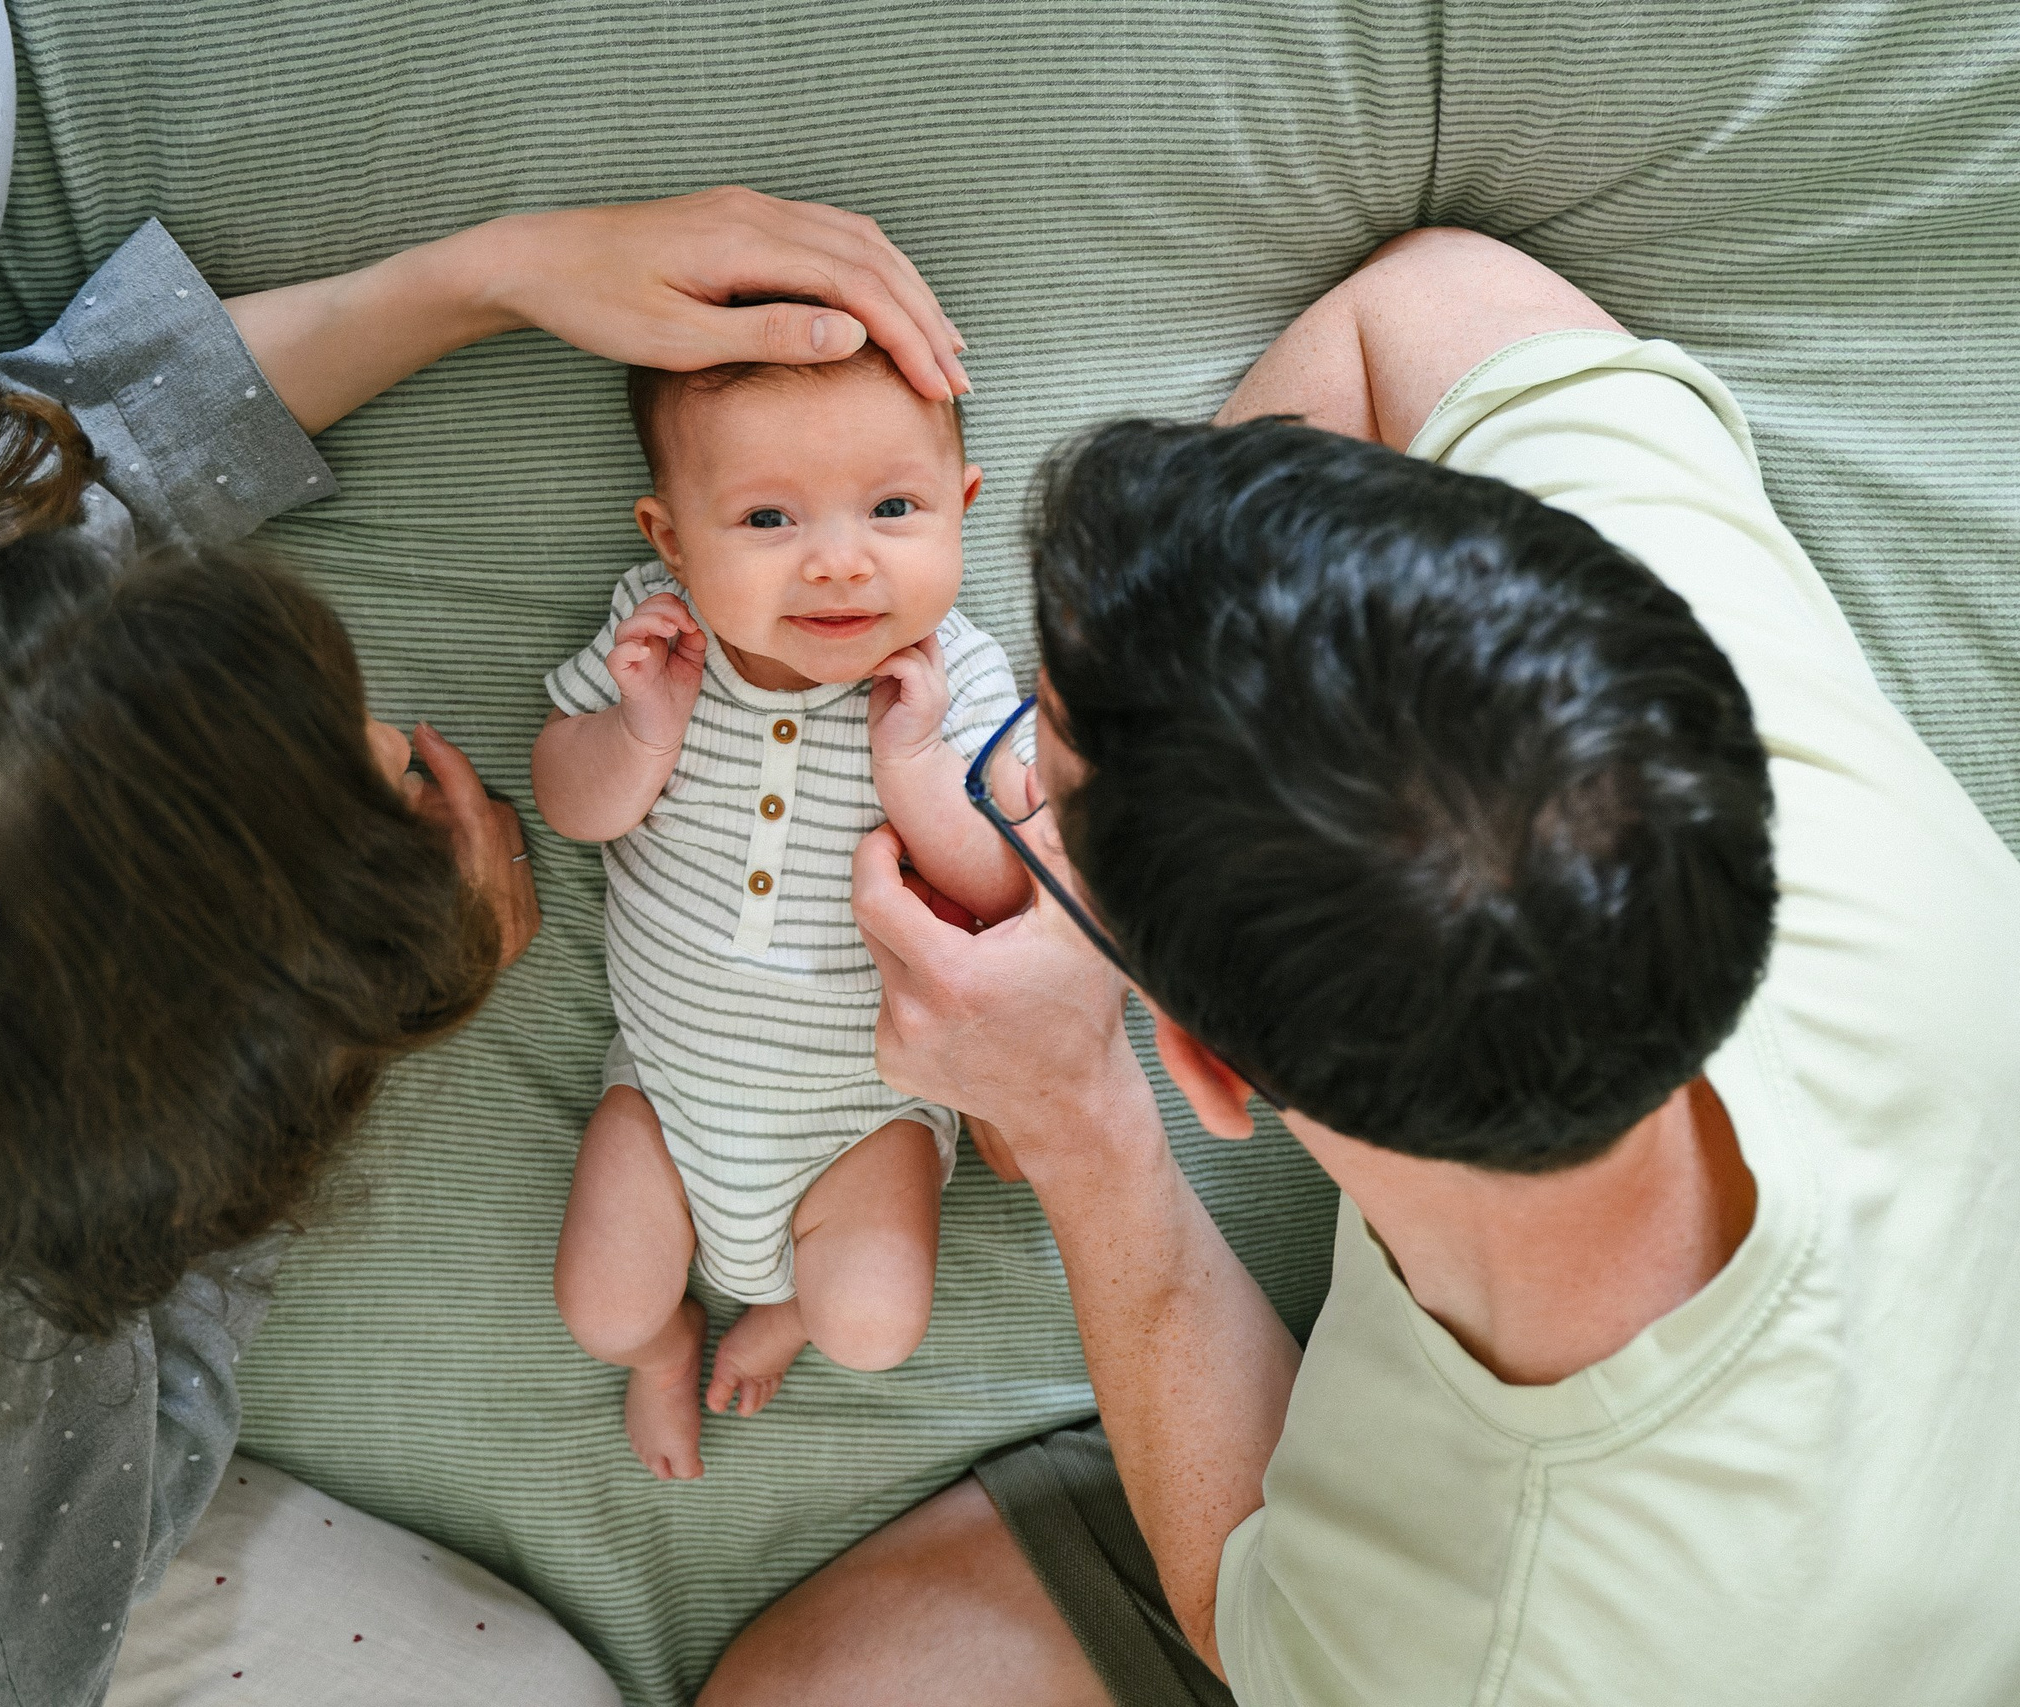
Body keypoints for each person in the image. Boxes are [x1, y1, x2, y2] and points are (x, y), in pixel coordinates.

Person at [0, 178, 968, 1706]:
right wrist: (385, 987)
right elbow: (169, 1384)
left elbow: (33, 502)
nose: (390, 729)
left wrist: (484, 274)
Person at [702, 226, 2020, 1705]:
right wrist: (1172, 654)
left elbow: (1240, 1604)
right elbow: (1428, 302)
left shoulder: (1463, 1653)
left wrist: (1080, 1121)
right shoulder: (1721, 671)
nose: (1009, 783)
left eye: (1035, 776)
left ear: (1206, 1061)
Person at [534, 345, 1028, 1480]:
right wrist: (639, 734)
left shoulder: (961, 680)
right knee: (603, 1311)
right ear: (670, 539)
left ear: (961, 508)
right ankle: (665, 1351)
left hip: (865, 1114)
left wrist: (913, 770)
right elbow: (567, 801)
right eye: (767, 519)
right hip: (667, 1090)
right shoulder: (659, 641)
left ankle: (796, 1316)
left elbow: (1005, 887)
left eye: (893, 508)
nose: (840, 564)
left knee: (872, 1327)